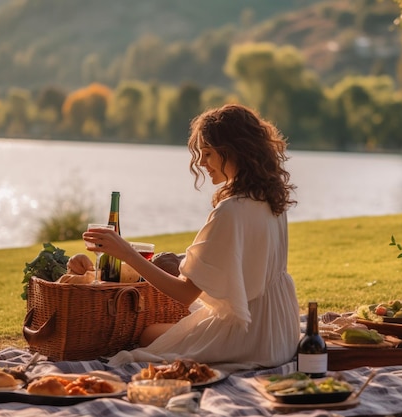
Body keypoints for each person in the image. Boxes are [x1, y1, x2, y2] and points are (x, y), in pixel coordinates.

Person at [83, 103, 300, 372]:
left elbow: (185, 294)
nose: (201, 162)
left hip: (252, 338)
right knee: (177, 326)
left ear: (233, 151)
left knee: (148, 336)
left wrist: (126, 252)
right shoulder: (269, 199)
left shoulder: (230, 210)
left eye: (207, 153)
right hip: (281, 331)